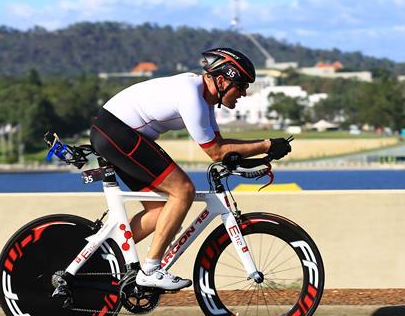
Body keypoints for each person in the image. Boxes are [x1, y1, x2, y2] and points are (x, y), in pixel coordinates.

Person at [89, 47, 293, 291]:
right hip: (118, 132)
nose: (245, 93)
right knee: (183, 191)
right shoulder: (192, 97)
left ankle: (99, 258)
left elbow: (223, 146)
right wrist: (267, 144)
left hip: (117, 133)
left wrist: (259, 153)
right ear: (221, 80)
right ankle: (151, 270)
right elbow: (216, 152)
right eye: (241, 85)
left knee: (160, 211)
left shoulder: (203, 99)